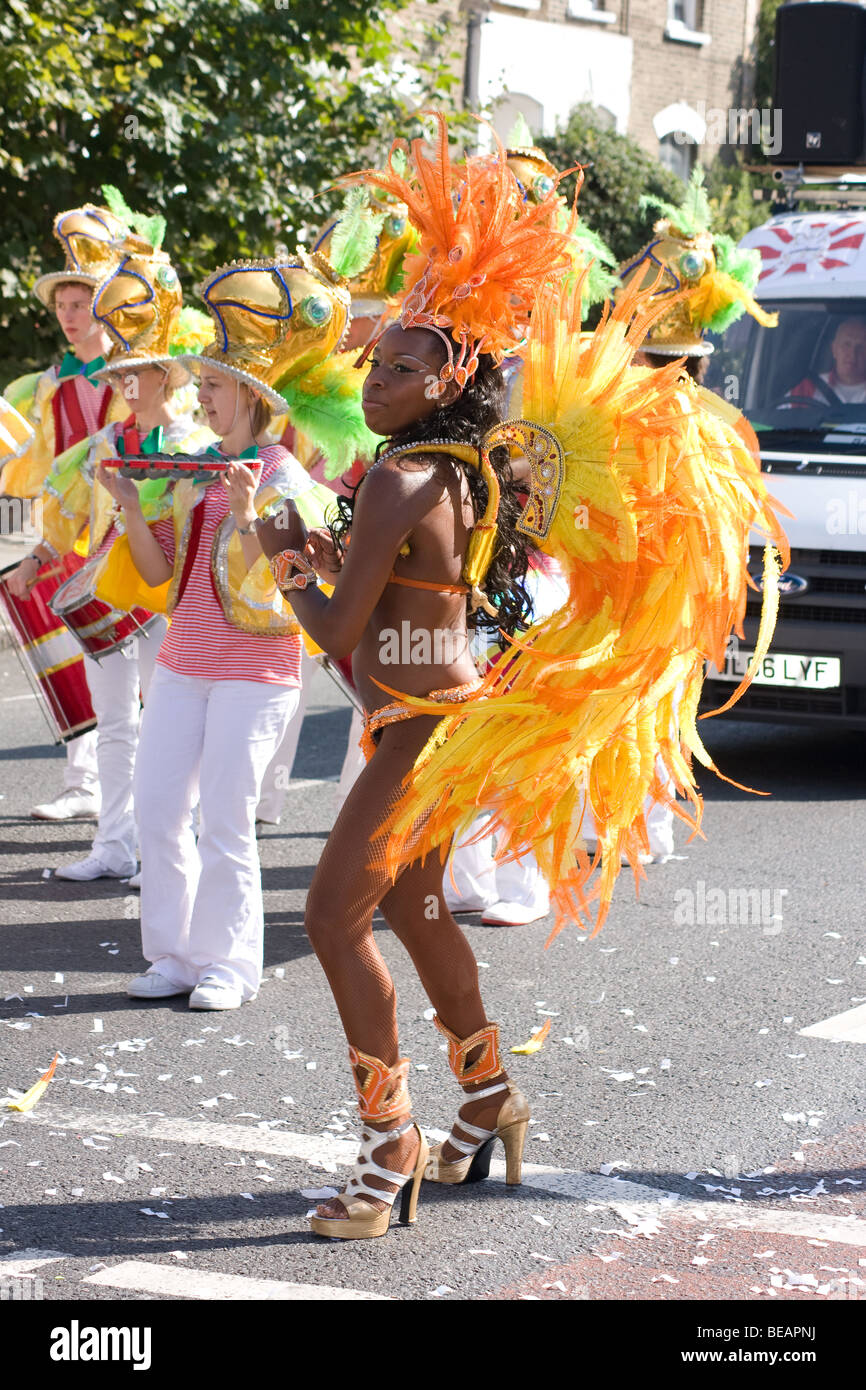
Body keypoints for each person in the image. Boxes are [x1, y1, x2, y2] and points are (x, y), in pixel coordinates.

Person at [249, 119, 575, 1239]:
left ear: (455, 372)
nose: (373, 378)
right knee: (412, 902)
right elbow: (398, 605)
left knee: (333, 915)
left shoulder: (399, 476)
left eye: (400, 364)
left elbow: (340, 628)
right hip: (440, 717)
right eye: (372, 359)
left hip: (423, 725)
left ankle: (389, 1148)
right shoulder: (452, 466)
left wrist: (284, 548)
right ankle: (488, 1097)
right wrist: (327, 556)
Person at [99, 254, 359, 1011]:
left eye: (211, 385)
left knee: (224, 817)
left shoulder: (288, 481)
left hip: (256, 674)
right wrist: (124, 502)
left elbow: (293, 585)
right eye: (203, 384)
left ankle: (229, 965)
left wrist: (251, 517)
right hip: (183, 664)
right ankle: (174, 955)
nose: (201, 396)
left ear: (250, 394)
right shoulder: (199, 468)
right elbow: (159, 574)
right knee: (156, 811)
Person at [29, 226, 214, 882]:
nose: (126, 384)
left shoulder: (193, 445)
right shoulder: (105, 441)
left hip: (166, 600)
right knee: (115, 724)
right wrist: (36, 560)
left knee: (170, 725)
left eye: (137, 375)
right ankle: (113, 844)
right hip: (108, 591)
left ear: (164, 375)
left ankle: (170, 844)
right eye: (121, 376)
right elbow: (68, 503)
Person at [3, 203, 130, 822]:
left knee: (140, 677)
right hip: (67, 541)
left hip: (127, 539)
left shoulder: (140, 378)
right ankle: (89, 789)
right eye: (63, 307)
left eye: (82, 305)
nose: (70, 318)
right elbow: (25, 470)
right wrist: (12, 548)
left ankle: (142, 810)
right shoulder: (42, 386)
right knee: (73, 662)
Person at [786, 316, 866, 405]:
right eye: (846, 344)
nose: (852, 353)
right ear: (834, 349)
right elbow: (780, 417)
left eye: (861, 347)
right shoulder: (806, 390)